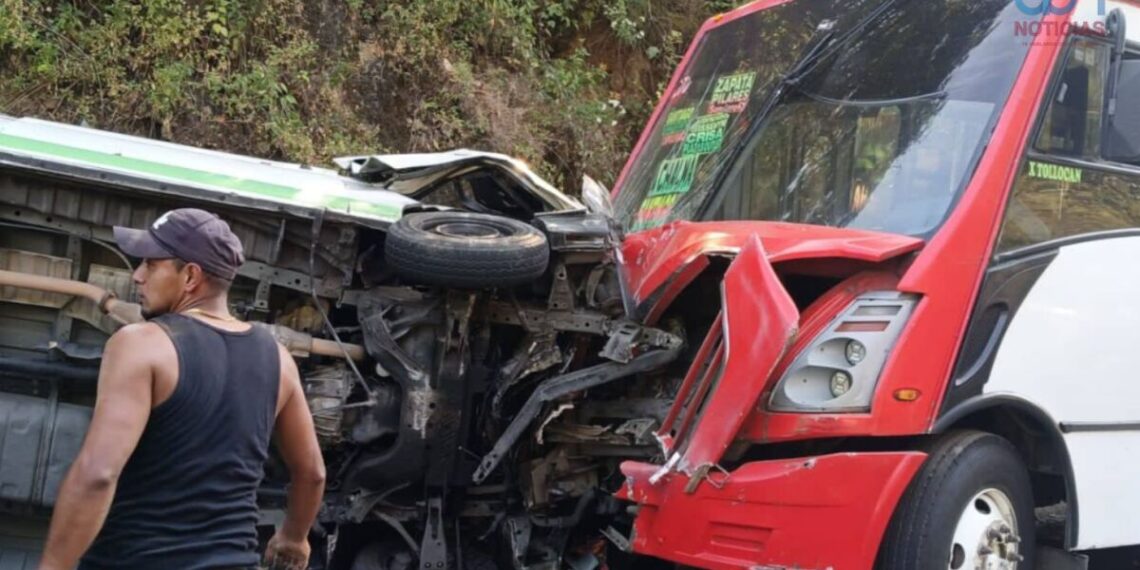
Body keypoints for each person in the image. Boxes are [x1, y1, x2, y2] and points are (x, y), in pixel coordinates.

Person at [38, 208, 326, 570]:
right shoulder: (279, 360)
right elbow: (312, 472)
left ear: (190, 276)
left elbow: (97, 474)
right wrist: (294, 537)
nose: (137, 276)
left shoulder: (141, 344)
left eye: (151, 264)